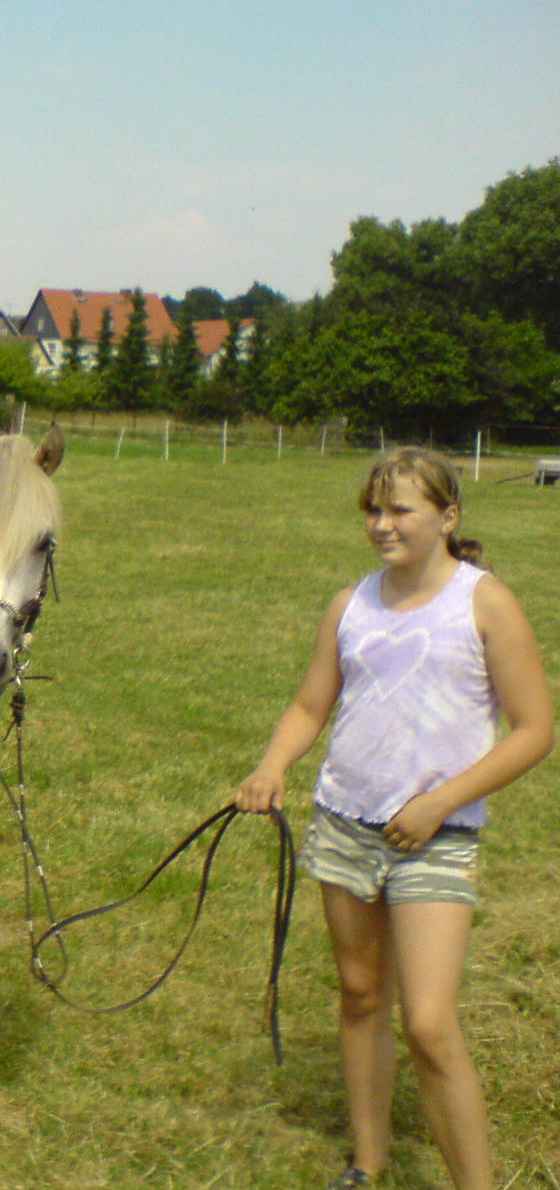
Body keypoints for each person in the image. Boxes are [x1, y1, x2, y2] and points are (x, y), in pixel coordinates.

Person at [234, 447, 552, 1190]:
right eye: (373, 510)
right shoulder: (351, 605)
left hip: (437, 839)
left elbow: (535, 731)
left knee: (430, 1024)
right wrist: (272, 767)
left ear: (448, 517)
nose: (382, 525)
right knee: (360, 995)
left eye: (400, 510)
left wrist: (439, 803)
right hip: (345, 825)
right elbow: (311, 704)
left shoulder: (485, 603)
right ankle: (368, 1162)